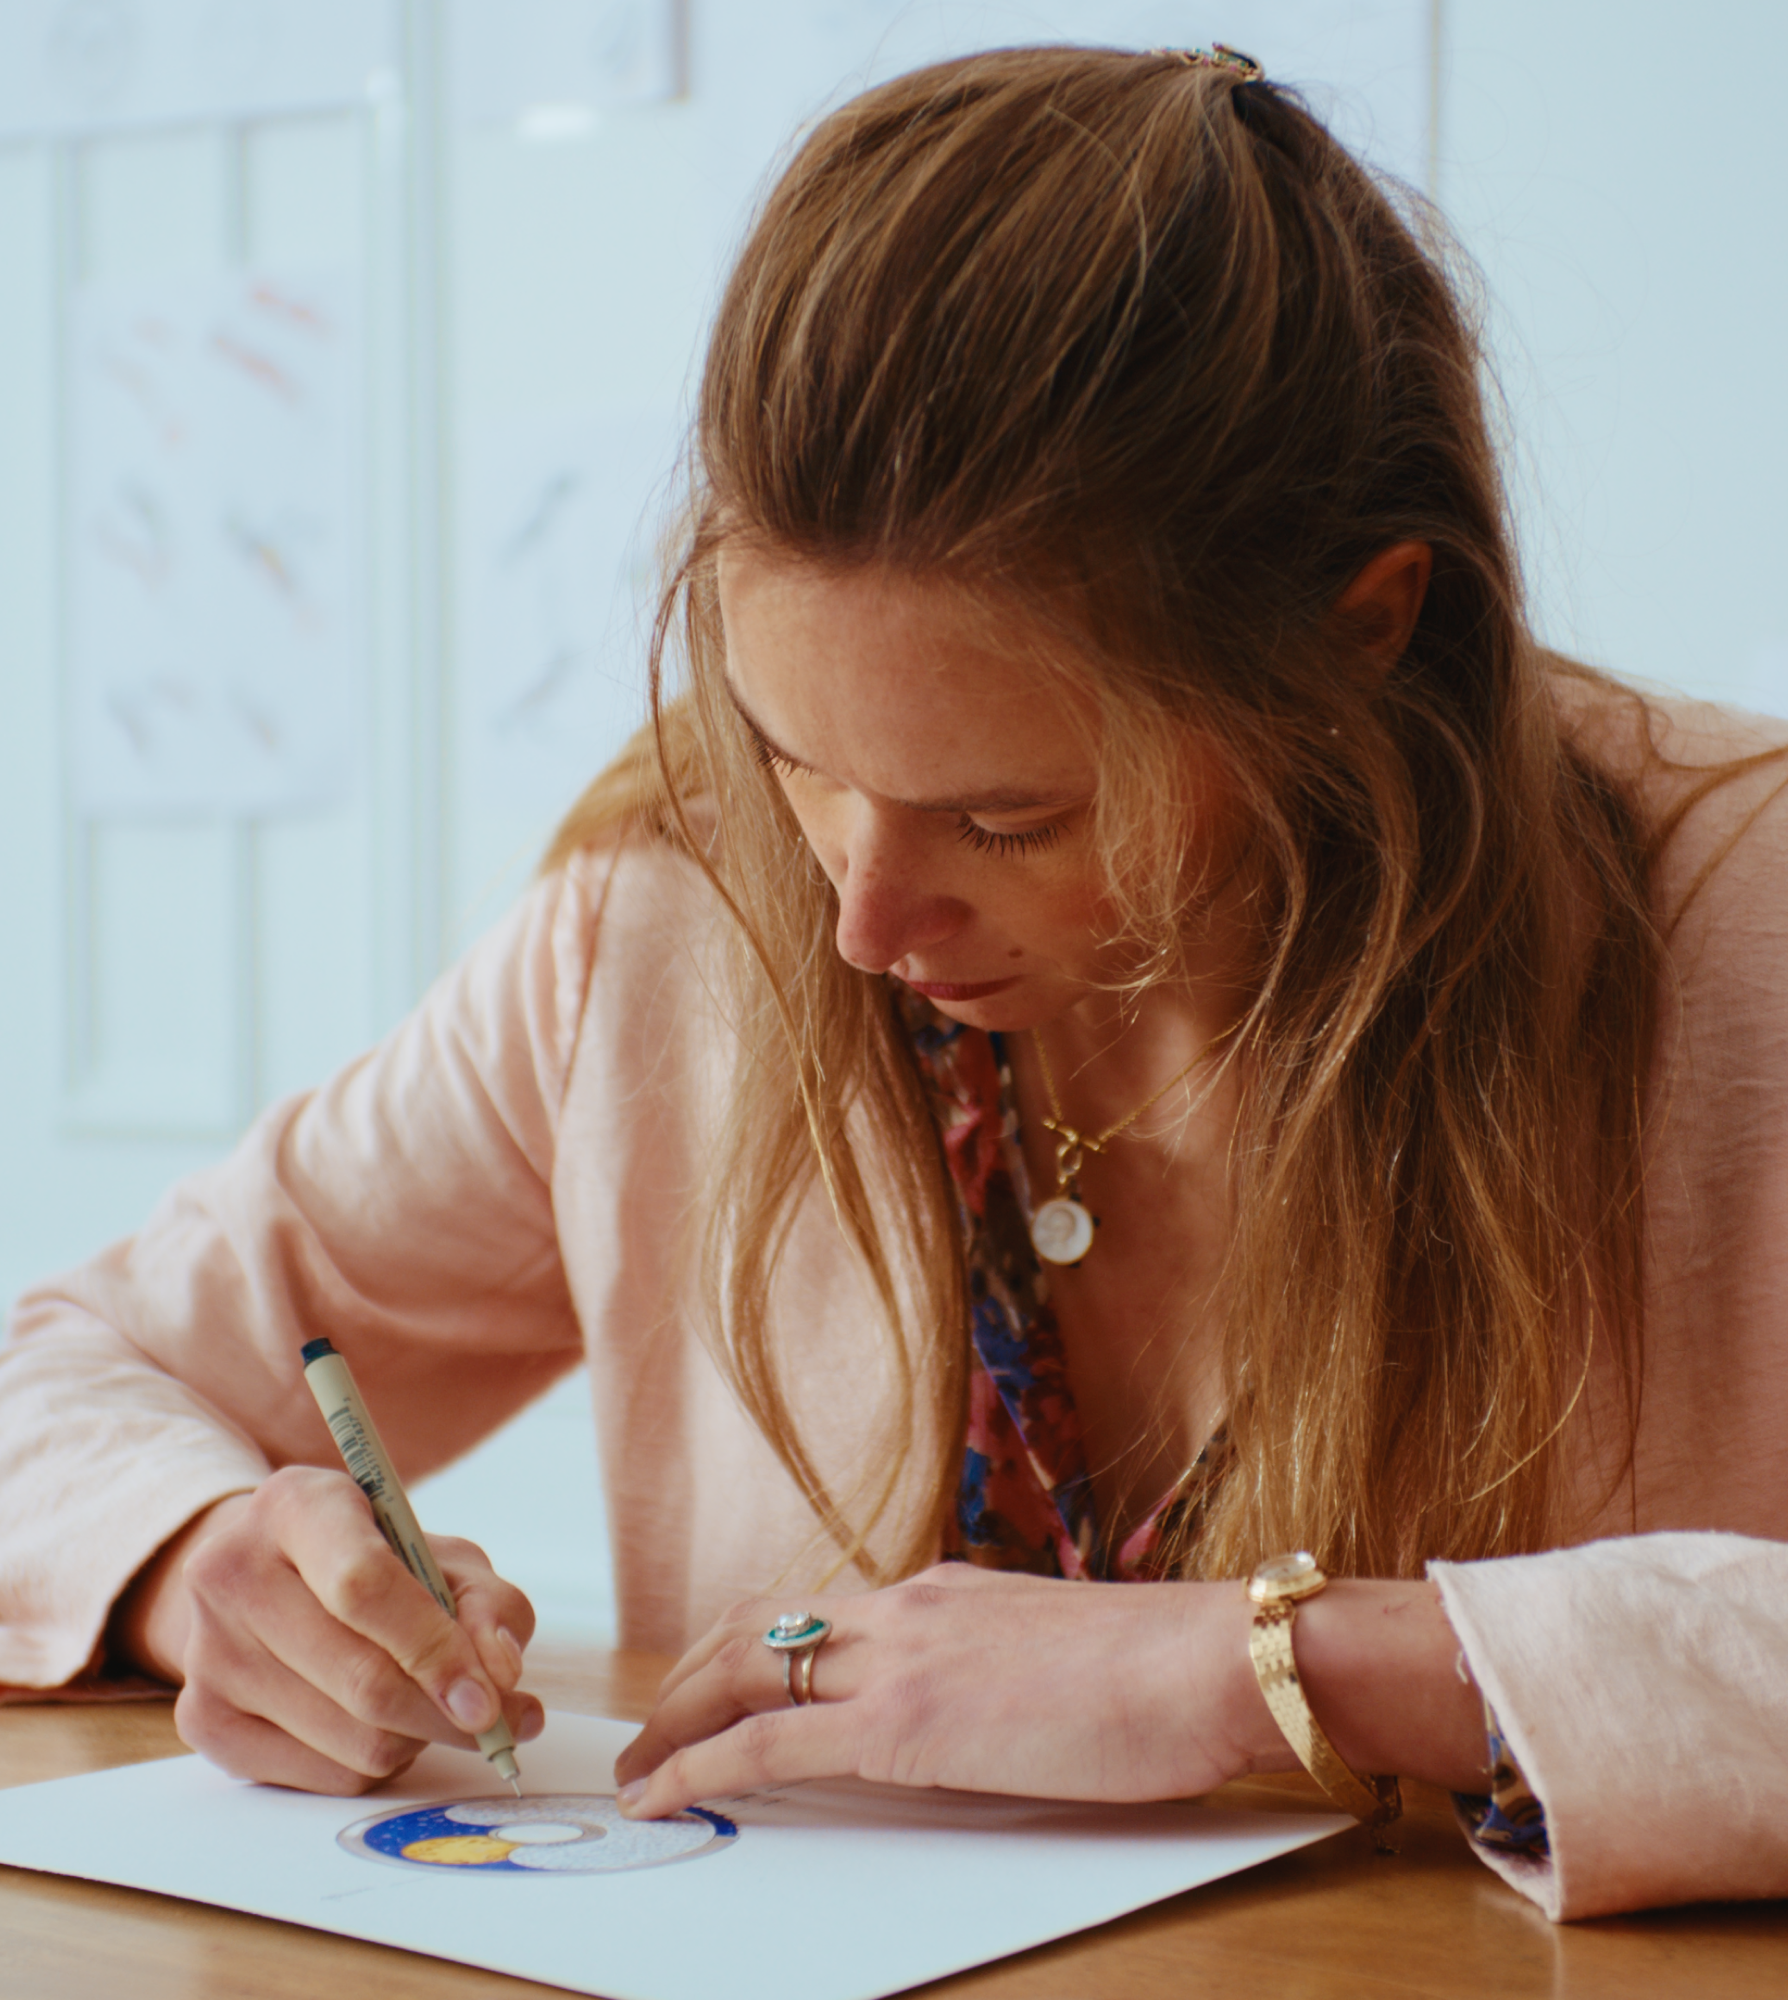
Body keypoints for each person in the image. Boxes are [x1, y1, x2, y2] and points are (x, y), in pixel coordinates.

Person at [4, 43, 1788, 1925]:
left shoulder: (1738, 926)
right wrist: (202, 1559)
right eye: (797, 755)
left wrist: (1278, 1668)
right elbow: (66, 1376)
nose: (860, 922)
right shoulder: (668, 926)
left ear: (1359, 638)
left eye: (1008, 815)